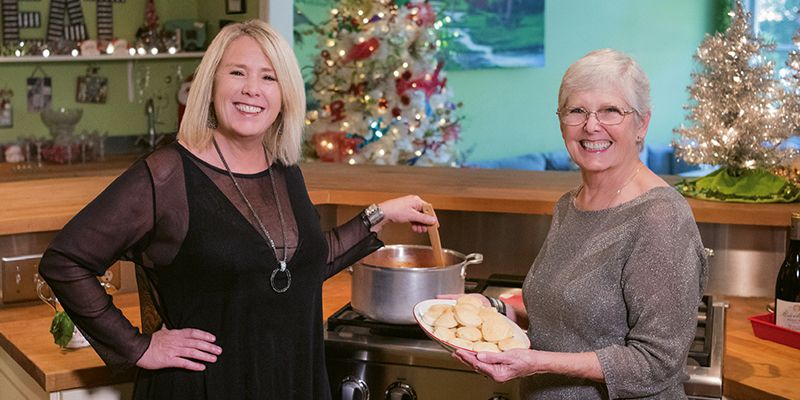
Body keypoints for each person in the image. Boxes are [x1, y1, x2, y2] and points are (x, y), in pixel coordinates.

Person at [38, 20, 437, 400]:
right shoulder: (168, 174)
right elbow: (65, 261)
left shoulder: (283, 169)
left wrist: (379, 215)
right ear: (212, 83)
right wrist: (138, 347)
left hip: (291, 379)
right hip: (205, 387)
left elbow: (298, 265)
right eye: (237, 73)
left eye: (269, 77)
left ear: (285, 94)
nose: (252, 90)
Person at [452, 49, 708, 399]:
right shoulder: (570, 205)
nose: (591, 126)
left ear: (642, 124)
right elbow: (565, 321)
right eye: (577, 111)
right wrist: (493, 311)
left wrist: (537, 363)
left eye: (611, 110)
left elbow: (657, 363)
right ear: (561, 121)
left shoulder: (661, 217)